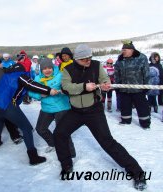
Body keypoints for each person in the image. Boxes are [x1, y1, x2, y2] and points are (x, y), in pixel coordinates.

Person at [53, 44, 147, 191]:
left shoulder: (96, 65)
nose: (88, 61)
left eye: (90, 57)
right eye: (84, 59)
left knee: (107, 141)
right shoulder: (68, 69)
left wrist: (105, 85)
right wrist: (84, 86)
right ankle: (66, 165)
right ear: (77, 59)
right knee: (59, 134)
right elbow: (66, 88)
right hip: (76, 111)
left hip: (94, 111)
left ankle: (137, 173)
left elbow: (104, 79)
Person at [0, 57, 58, 165]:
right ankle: (33, 157)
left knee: (0, 118)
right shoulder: (20, 75)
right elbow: (31, 85)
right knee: (26, 128)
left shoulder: (6, 74)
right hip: (4, 104)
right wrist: (49, 90)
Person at [28, 58, 75, 155]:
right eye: (44, 68)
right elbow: (30, 92)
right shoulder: (37, 79)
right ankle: (53, 143)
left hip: (61, 107)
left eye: (50, 67)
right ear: (41, 70)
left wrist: (62, 91)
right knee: (40, 129)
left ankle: (71, 153)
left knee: (63, 131)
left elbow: (70, 87)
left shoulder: (60, 76)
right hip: (46, 108)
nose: (47, 70)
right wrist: (40, 95)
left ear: (53, 68)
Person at [114, 40, 150, 129]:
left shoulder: (141, 58)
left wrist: (147, 86)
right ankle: (126, 120)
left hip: (138, 88)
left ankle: (145, 123)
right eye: (122, 50)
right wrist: (117, 86)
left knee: (142, 107)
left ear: (131, 50)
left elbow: (146, 73)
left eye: (125, 50)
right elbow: (116, 73)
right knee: (125, 106)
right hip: (124, 89)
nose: (123, 52)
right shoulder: (120, 59)